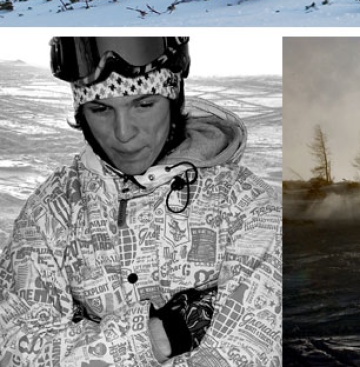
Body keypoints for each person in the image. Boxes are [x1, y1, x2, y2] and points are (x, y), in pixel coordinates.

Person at [0, 37, 281, 365]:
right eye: (100, 108)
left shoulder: (245, 204)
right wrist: (162, 335)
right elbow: (14, 349)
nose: (122, 133)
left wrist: (85, 333)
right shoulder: (55, 206)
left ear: (173, 97)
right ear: (82, 112)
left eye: (144, 104)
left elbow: (252, 354)